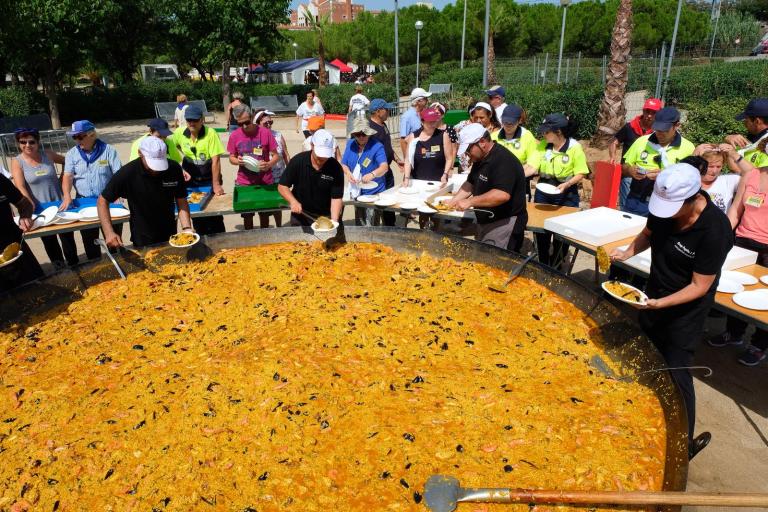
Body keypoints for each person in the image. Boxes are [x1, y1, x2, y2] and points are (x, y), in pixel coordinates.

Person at [610, 164, 733, 460]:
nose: (666, 213)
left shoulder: (715, 230)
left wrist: (659, 304)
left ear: (694, 198)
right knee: (647, 354)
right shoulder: (663, 209)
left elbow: (700, 286)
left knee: (676, 370)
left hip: (686, 310)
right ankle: (643, 413)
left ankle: (684, 442)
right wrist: (627, 252)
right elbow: (648, 233)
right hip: (653, 293)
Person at [709, 157, 768, 366]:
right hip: (743, 240)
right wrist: (723, 235)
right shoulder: (751, 175)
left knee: (765, 297)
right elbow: (735, 209)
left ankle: (759, 345)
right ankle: (734, 333)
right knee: (738, 288)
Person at [98, 136, 192, 249]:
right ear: (140, 153)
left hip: (170, 234)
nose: (156, 169)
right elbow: (102, 201)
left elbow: (181, 201)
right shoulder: (128, 173)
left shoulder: (174, 168)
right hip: (142, 237)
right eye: (152, 163)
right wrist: (109, 232)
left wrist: (187, 228)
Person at [447, 123, 528, 252]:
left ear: (482, 142)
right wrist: (453, 201)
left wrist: (470, 201)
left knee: (498, 261)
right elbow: (470, 184)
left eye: (468, 149)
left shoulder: (503, 160)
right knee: (484, 257)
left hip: (504, 223)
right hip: (487, 221)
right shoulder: (480, 158)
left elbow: (502, 195)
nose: (467, 154)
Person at [10, 128, 78, 268]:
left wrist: (63, 179)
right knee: (49, 241)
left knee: (67, 238)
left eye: (31, 142)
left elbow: (68, 162)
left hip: (60, 204)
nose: (27, 145)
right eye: (23, 142)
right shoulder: (17, 162)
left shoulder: (48, 154)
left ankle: (75, 266)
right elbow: (20, 186)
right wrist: (28, 203)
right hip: (39, 208)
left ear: (38, 142)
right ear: (18, 143)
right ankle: (60, 269)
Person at [532, 113, 590, 270]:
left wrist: (567, 184)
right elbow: (532, 166)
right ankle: (543, 264)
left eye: (546, 131)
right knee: (541, 230)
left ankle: (557, 264)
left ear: (558, 132)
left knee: (562, 233)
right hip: (543, 191)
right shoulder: (543, 145)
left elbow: (581, 172)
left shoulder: (574, 147)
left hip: (566, 193)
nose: (543, 134)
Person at [61, 120, 122, 260]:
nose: (77, 140)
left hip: (108, 200)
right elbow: (68, 176)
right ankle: (95, 264)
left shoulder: (109, 150)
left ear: (92, 134)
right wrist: (67, 196)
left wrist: (117, 194)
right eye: (74, 137)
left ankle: (118, 263)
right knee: (90, 242)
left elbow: (118, 175)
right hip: (84, 202)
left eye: (80, 136)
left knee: (114, 239)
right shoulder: (72, 154)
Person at [621, 107, 695, 217]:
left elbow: (692, 179)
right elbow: (624, 167)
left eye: (664, 130)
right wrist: (630, 170)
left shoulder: (688, 148)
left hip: (670, 204)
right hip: (637, 201)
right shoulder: (641, 142)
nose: (659, 133)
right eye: (657, 129)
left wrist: (665, 176)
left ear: (677, 126)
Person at [171, 105, 226, 235]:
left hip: (209, 178)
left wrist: (216, 184)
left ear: (202, 120)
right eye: (189, 120)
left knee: (213, 214)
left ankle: (219, 238)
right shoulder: (179, 133)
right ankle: (201, 238)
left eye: (195, 120)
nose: (191, 123)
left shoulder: (210, 133)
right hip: (191, 181)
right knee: (196, 214)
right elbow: (174, 147)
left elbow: (216, 161)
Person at [227, 105, 279, 230]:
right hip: (245, 181)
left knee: (264, 214)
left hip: (265, 180)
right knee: (247, 215)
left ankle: (264, 237)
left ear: (251, 118)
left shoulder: (265, 132)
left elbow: (276, 156)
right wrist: (237, 161)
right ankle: (249, 237)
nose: (244, 126)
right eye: (240, 124)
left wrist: (268, 164)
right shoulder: (234, 135)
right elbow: (231, 157)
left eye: (247, 122)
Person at [278, 129, 344, 226]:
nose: (322, 159)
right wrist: (293, 201)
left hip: (326, 215)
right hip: (302, 214)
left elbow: (336, 198)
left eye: (325, 155)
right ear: (312, 145)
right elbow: (282, 186)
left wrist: (334, 221)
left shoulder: (336, 167)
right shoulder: (298, 161)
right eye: (320, 155)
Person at [609, 98, 663, 209]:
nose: (649, 115)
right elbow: (614, 142)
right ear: (643, 111)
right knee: (627, 207)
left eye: (654, 113)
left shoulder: (659, 132)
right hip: (628, 173)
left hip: (650, 176)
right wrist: (612, 157)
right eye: (647, 111)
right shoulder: (629, 127)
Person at [0, 173, 44, 291]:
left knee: (38, 290)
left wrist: (25, 217)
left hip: (16, 247)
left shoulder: (0, 180)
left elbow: (25, 204)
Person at [341, 118, 388, 226]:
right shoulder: (350, 144)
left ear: (369, 133)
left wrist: (372, 174)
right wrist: (348, 173)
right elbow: (344, 164)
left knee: (371, 224)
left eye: (364, 134)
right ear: (354, 134)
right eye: (358, 134)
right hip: (357, 191)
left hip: (373, 192)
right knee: (360, 223)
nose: (361, 137)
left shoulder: (377, 146)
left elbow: (384, 167)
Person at [491, 104, 541, 201]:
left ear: (519, 121)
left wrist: (512, 177)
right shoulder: (494, 137)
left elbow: (532, 165)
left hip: (519, 181)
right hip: (497, 182)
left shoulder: (527, 136)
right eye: (505, 122)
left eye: (511, 123)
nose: (508, 126)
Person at [368, 98, 400, 226]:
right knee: (376, 203)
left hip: (387, 171)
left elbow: (388, 146)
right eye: (386, 109)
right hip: (376, 173)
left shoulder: (383, 125)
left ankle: (390, 226)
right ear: (378, 111)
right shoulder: (369, 129)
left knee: (389, 200)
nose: (388, 111)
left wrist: (397, 159)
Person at [402, 107, 453, 186]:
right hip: (417, 181)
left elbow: (449, 158)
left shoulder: (443, 135)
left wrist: (445, 174)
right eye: (429, 122)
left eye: (434, 121)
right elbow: (408, 160)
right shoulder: (414, 136)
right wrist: (406, 178)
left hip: (438, 181)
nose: (433, 124)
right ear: (422, 121)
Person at [256, 109, 290, 228]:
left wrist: (290, 173)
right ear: (258, 123)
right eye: (266, 123)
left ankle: (279, 228)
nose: (269, 125)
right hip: (263, 178)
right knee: (264, 208)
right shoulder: (256, 137)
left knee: (278, 205)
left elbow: (285, 154)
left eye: (270, 122)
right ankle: (264, 231)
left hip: (279, 176)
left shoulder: (278, 135)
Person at [689, 144, 743, 213]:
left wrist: (735, 155)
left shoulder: (729, 180)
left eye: (718, 166)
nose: (715, 171)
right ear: (699, 164)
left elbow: (752, 175)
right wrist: (692, 160)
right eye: (710, 166)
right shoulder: (689, 181)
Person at [724, 97, 768, 169]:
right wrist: (727, 138)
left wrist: (732, 159)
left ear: (757, 121)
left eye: (746, 120)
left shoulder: (766, 145)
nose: (744, 123)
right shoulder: (756, 137)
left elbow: (759, 174)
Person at [400, 87, 432, 159]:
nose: (427, 100)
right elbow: (403, 140)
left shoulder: (424, 113)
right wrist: (407, 160)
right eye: (425, 98)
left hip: (425, 154)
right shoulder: (407, 117)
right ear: (418, 101)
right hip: (414, 156)